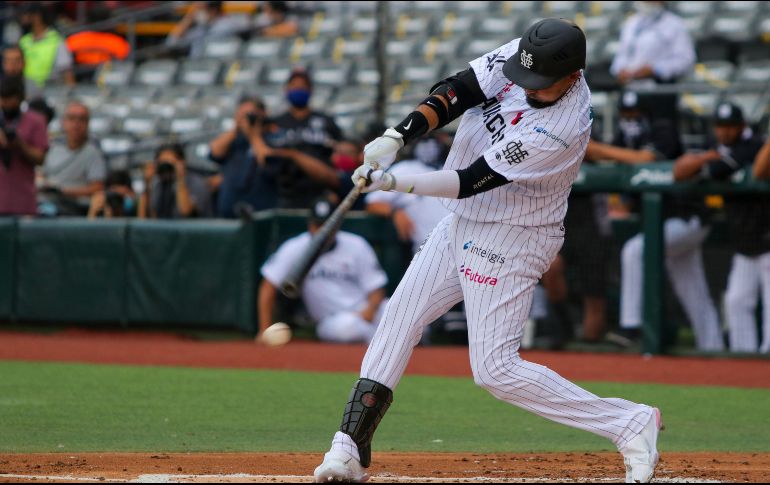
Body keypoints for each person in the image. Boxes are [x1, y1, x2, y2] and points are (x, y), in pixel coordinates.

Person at [313, 18, 662, 484]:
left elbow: (468, 181)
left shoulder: (561, 127)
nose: (527, 86)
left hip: (512, 236)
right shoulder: (529, 53)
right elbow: (459, 90)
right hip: (465, 221)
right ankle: (347, 449)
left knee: (495, 370)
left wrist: (396, 180)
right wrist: (399, 135)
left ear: (573, 76)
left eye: (540, 84)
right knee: (400, 316)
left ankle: (628, 422)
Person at [673, 103, 767, 353]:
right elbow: (679, 172)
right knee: (736, 300)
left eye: (730, 127)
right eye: (721, 127)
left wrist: (707, 162)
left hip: (767, 235)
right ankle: (743, 360)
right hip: (745, 241)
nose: (724, 132)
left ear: (741, 126)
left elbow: (718, 170)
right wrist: (706, 156)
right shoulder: (716, 146)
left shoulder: (754, 144)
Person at [258, 198, 388, 344]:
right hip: (332, 321)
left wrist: (369, 310)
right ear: (310, 225)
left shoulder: (356, 244)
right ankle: (388, 342)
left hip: (366, 310)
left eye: (327, 225)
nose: (322, 230)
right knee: (349, 328)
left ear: (337, 225)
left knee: (396, 309)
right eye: (317, 225)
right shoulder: (295, 248)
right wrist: (264, 329)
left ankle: (396, 341)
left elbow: (376, 287)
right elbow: (268, 286)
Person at [271, 68, 343, 208]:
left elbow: (339, 153)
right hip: (285, 191)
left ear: (310, 90)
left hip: (320, 188)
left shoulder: (326, 121)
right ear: (287, 89)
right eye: (294, 87)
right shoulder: (276, 123)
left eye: (302, 87)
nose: (298, 90)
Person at [209, 95, 278, 218]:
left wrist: (253, 134)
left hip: (262, 216)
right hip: (229, 214)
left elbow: (269, 162)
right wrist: (236, 128)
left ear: (263, 114)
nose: (246, 119)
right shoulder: (234, 140)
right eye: (242, 115)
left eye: (250, 114)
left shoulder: (271, 138)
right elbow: (214, 151)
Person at [39, 101, 106, 216]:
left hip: (74, 208)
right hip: (46, 202)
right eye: (71, 118)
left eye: (81, 119)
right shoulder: (53, 149)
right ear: (63, 122)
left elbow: (97, 187)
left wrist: (62, 191)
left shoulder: (93, 153)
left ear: (87, 123)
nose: (76, 124)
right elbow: (42, 174)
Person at [610, 1, 695, 86]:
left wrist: (655, 69)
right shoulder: (631, 23)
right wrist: (621, 70)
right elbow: (621, 55)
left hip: (660, 89)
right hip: (630, 89)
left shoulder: (674, 24)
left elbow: (685, 60)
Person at [0, 76, 48, 216]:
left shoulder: (35, 121)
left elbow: (40, 158)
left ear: (20, 98)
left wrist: (20, 144)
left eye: (11, 99)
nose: (6, 103)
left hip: (23, 201)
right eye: (3, 98)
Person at [139, 143, 213, 219]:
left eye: (170, 163)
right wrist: (147, 184)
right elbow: (146, 217)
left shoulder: (196, 182)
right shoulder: (158, 184)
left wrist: (180, 178)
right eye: (162, 164)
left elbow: (186, 212)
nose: (166, 168)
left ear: (182, 162)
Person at [18, 2, 75, 88]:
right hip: (27, 89)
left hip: (51, 91)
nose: (23, 18)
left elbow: (66, 70)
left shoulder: (56, 39)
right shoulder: (24, 41)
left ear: (37, 16)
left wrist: (71, 93)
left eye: (26, 15)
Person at [166, 1, 250, 58]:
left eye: (200, 9)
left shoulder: (229, 25)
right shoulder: (201, 28)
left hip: (220, 69)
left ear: (213, 10)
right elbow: (172, 42)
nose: (197, 12)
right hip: (198, 68)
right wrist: (189, 18)